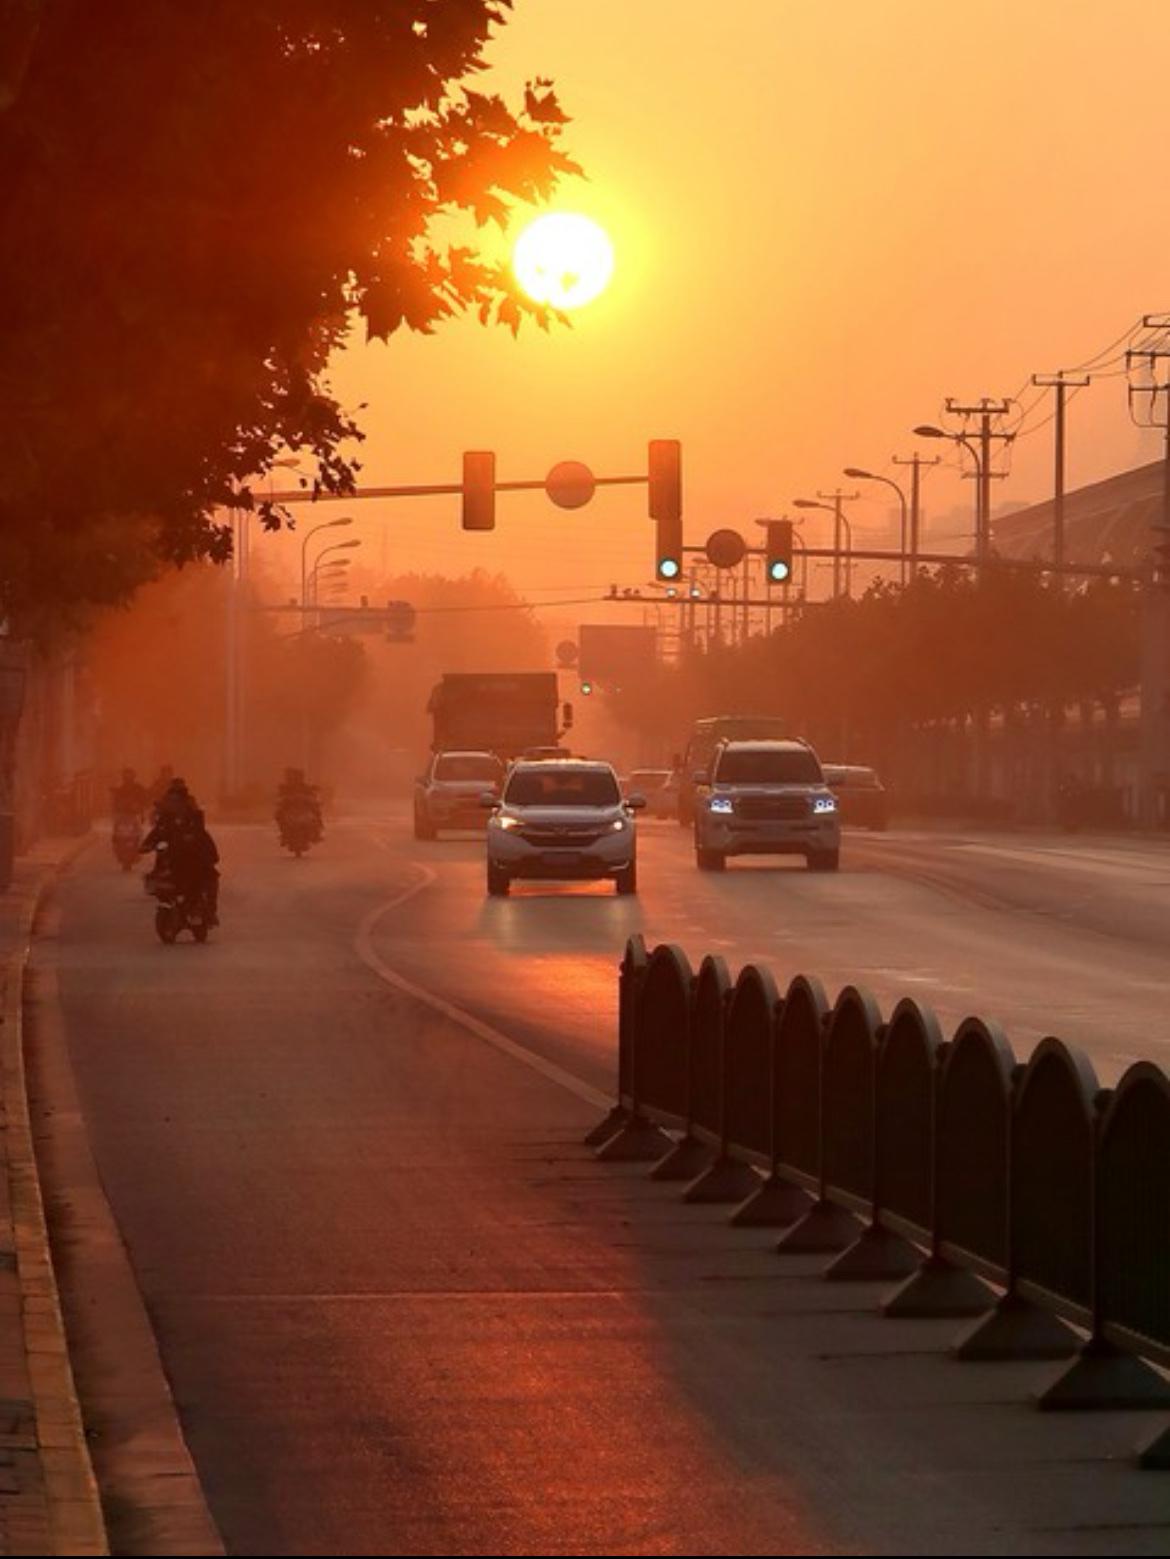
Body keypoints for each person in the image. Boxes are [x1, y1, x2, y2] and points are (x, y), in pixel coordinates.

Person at [275, 767, 323, 840]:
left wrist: (314, 798)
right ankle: (283, 831)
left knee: (317, 811)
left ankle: (317, 829)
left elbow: (312, 795)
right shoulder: (287, 787)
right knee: (279, 814)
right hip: (291, 810)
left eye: (298, 777)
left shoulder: (304, 787)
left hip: (304, 809)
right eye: (295, 777)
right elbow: (280, 797)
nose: (296, 779)